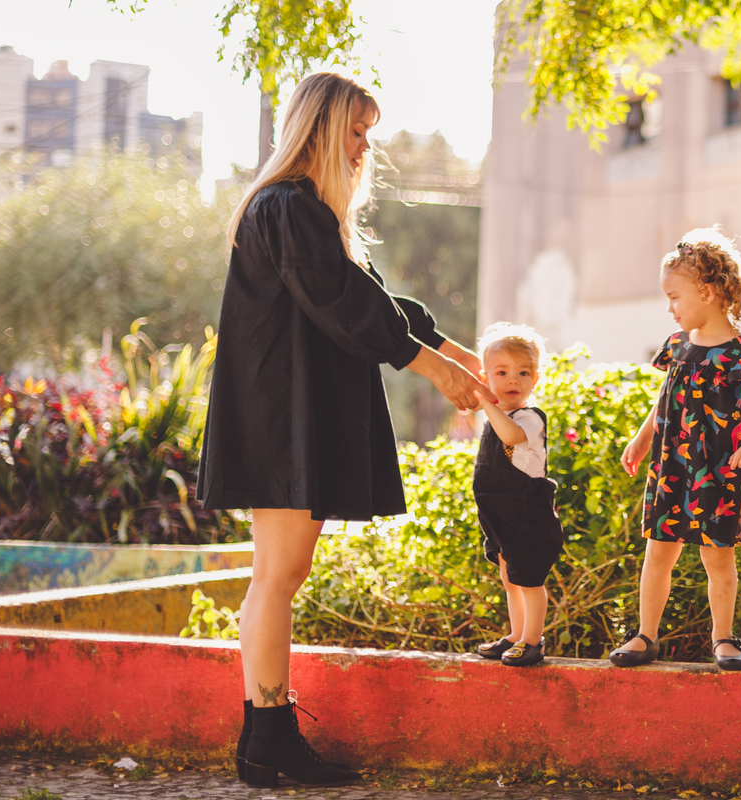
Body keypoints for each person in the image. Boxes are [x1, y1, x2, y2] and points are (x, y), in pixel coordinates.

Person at [198, 72, 493, 788]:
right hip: (281, 420)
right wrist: (432, 367)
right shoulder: (287, 208)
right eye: (357, 132)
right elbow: (343, 304)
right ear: (323, 128)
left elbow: (369, 297)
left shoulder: (297, 212)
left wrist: (451, 351)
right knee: (276, 577)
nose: (366, 148)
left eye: (369, 133)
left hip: (286, 417)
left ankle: (266, 737)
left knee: (278, 576)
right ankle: (267, 738)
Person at [610, 228, 741, 671]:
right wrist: (643, 436)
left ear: (707, 292)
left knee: (717, 556)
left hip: (720, 470)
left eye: (674, 297)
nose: (669, 308)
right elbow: (666, 398)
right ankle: (646, 636)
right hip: (673, 466)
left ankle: (724, 638)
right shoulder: (676, 349)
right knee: (658, 553)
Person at [469, 323, 564, 667]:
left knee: (529, 579)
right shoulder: (499, 416)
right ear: (486, 375)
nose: (513, 380)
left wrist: (485, 400)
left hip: (527, 515)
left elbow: (510, 437)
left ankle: (533, 640)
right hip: (501, 516)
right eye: (502, 372)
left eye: (523, 372)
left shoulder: (528, 418)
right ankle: (516, 633)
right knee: (510, 578)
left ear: (535, 379)